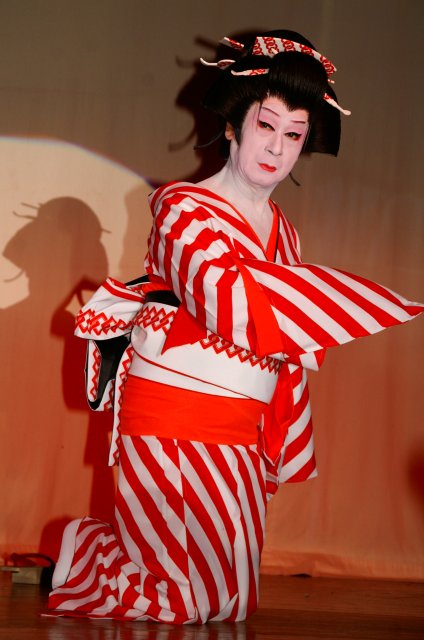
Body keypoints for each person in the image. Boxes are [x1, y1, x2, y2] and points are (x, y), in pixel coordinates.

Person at [48, 30, 423, 623]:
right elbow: (227, 302)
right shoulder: (180, 207)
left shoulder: (286, 234)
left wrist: (280, 435)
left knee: (232, 604)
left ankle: (121, 551)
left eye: (294, 134)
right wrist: (350, 300)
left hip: (239, 425)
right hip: (170, 414)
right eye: (266, 125)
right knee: (185, 602)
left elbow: (290, 346)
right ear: (232, 126)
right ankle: (90, 551)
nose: (277, 147)